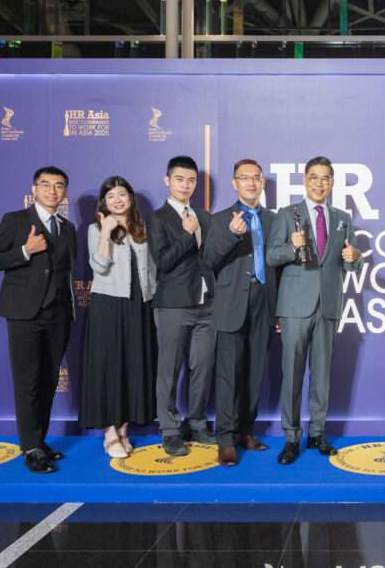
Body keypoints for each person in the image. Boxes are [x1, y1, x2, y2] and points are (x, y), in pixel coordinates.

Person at [266, 156, 362, 465]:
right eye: (314, 177)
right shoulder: (287, 214)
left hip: (328, 305)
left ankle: (317, 432)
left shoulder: (342, 218)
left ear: (332, 183)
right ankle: (291, 437)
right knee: (292, 373)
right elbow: (271, 257)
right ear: (305, 180)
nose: (319, 183)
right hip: (295, 305)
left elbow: (349, 263)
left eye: (325, 178)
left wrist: (354, 257)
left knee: (322, 374)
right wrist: (292, 248)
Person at [0, 166, 75, 474]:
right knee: (27, 382)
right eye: (46, 185)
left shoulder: (67, 227)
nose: (52, 190)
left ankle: (40, 439)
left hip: (58, 315)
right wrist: (25, 250)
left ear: (64, 192)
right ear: (34, 189)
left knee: (48, 380)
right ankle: (30, 447)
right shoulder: (16, 220)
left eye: (59, 186)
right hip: (24, 314)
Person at [202, 158, 279, 467]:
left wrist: (278, 310)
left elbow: (279, 267)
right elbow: (207, 260)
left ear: (262, 183)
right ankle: (225, 440)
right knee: (228, 374)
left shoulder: (273, 220)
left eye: (256, 177)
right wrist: (232, 235)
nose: (250, 182)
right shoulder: (220, 219)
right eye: (244, 177)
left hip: (263, 302)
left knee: (254, 371)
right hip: (231, 303)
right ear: (235, 183)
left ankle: (246, 431)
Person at [80, 176, 157, 459]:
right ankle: (109, 433)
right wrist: (106, 232)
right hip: (108, 304)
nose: (117, 200)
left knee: (133, 366)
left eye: (122, 194)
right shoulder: (96, 228)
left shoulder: (142, 227)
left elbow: (153, 267)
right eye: (111, 196)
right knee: (109, 366)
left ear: (130, 198)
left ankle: (124, 429)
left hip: (140, 304)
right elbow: (99, 266)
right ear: (104, 202)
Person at [148, 156, 214, 456]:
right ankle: (170, 429)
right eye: (179, 179)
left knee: (202, 366)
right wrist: (188, 234)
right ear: (167, 181)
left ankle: (197, 423)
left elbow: (212, 256)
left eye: (191, 180)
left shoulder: (204, 216)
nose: (185, 185)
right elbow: (163, 262)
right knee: (169, 369)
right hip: (173, 305)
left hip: (207, 304)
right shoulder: (158, 218)